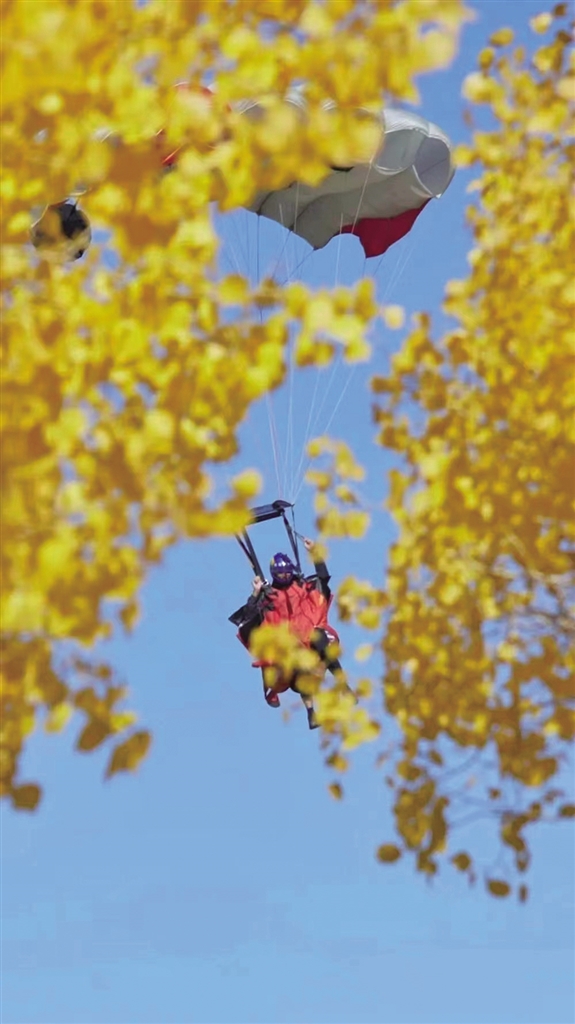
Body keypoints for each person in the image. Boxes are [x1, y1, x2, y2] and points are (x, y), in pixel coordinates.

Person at [230, 538, 346, 730]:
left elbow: (323, 579)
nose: (284, 576)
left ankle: (344, 686)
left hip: (310, 635)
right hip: (289, 647)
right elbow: (248, 616)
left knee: (323, 642)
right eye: (280, 573)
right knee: (300, 671)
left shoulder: (301, 586)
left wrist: (315, 554)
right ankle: (311, 713)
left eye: (287, 572)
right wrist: (256, 593)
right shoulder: (268, 597)